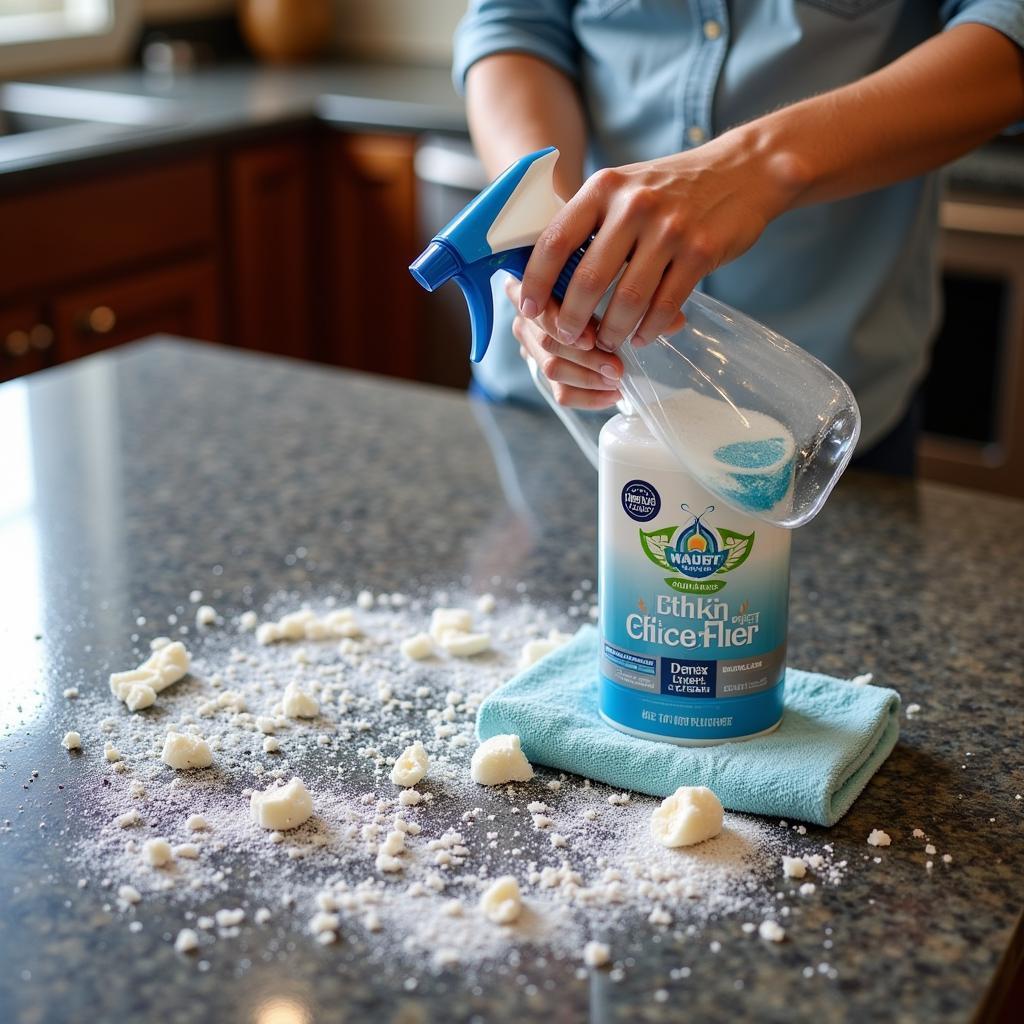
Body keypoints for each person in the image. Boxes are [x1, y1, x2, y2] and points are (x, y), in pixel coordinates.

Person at [452, 0, 1024, 475]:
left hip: (814, 418)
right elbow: (516, 24)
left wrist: (757, 167)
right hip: (558, 404)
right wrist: (548, 230)